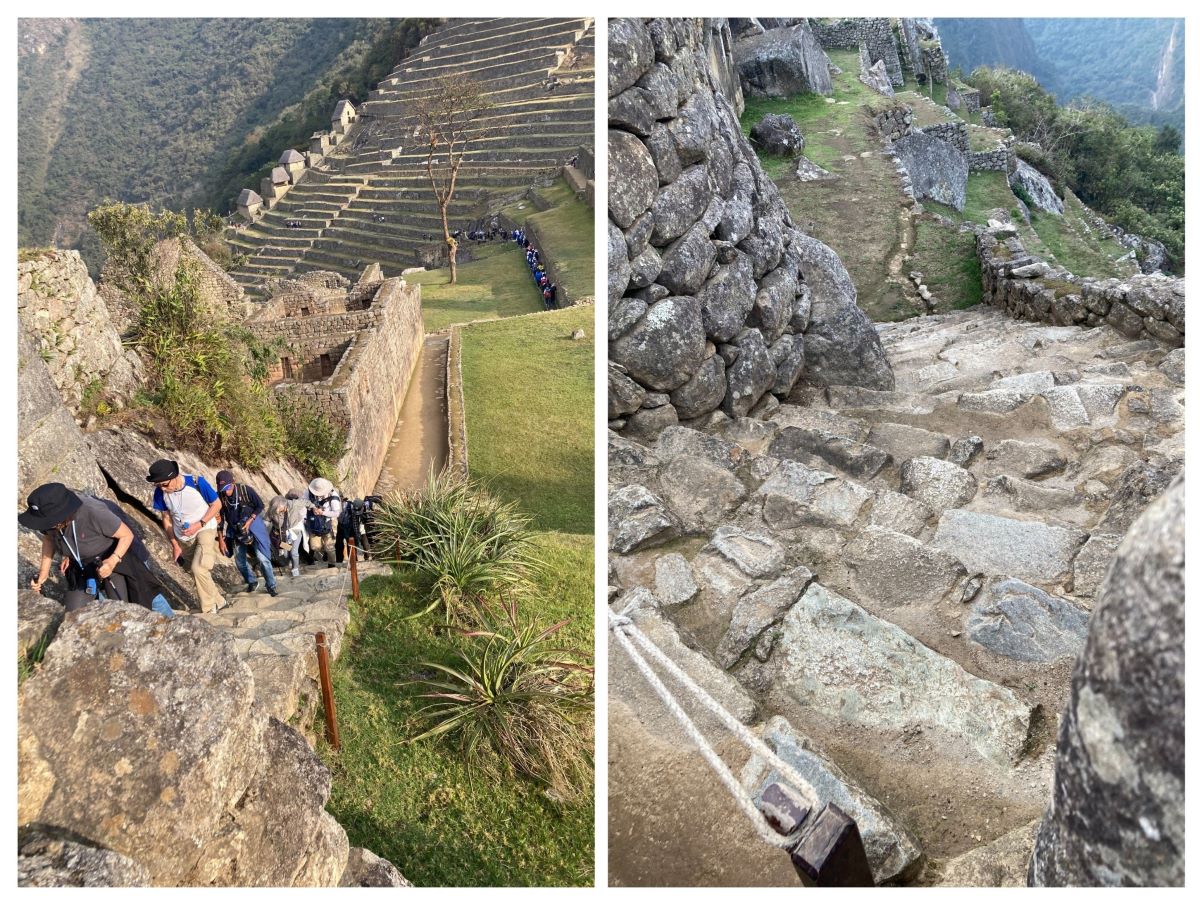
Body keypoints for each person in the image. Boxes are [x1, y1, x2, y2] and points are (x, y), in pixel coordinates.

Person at [19, 483, 173, 617]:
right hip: (81, 566)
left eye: (50, 522)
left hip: (112, 560)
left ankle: (172, 624)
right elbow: (49, 539)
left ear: (63, 513)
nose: (48, 526)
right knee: (73, 613)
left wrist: (112, 561)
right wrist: (44, 571)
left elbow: (126, 535)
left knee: (127, 606)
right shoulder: (49, 520)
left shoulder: (93, 511)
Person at [148, 459, 225, 613]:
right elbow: (166, 519)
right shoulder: (160, 493)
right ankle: (219, 601)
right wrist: (175, 545)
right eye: (158, 485)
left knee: (199, 568)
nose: (162, 488)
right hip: (183, 537)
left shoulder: (196, 482)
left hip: (205, 529)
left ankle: (208, 609)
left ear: (175, 476)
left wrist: (199, 524)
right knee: (192, 570)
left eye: (165, 484)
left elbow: (217, 504)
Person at [215, 471, 277, 597]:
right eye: (223, 489)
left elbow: (260, 505)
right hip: (235, 530)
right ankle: (252, 581)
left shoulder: (245, 490)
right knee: (239, 561)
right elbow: (220, 519)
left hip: (253, 526)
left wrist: (250, 520)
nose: (226, 491)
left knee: (263, 558)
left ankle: (271, 585)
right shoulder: (220, 496)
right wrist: (221, 539)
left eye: (227, 487)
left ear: (233, 482)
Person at [305, 478, 342, 567]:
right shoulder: (308, 492)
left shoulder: (333, 496)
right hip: (314, 522)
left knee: (330, 547)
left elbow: (336, 513)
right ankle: (322, 551)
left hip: (329, 521)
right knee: (315, 546)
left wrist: (323, 512)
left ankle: (332, 564)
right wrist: (312, 508)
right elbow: (303, 503)